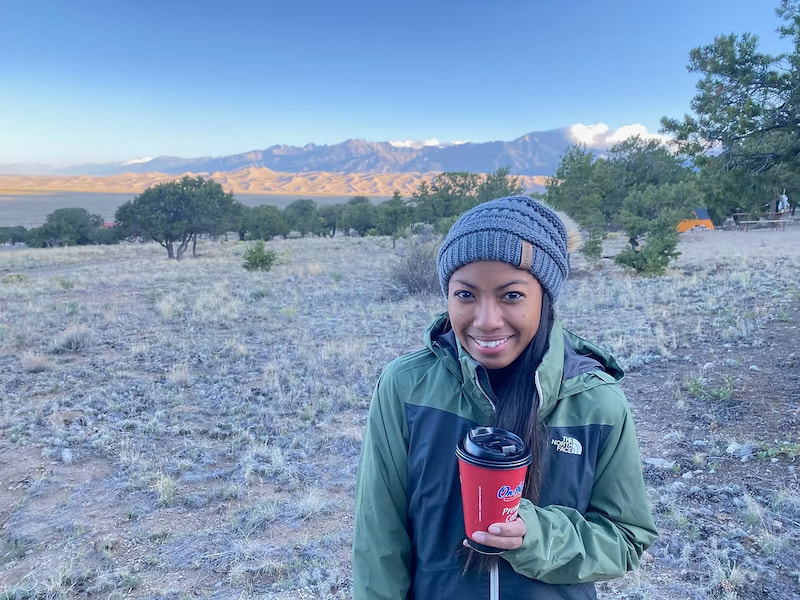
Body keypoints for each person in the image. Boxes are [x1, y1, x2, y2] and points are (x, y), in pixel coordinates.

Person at [352, 195, 658, 599]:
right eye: (465, 295)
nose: (486, 320)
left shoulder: (595, 401)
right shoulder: (406, 388)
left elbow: (625, 538)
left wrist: (537, 536)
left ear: (544, 299)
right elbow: (380, 538)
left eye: (511, 295)